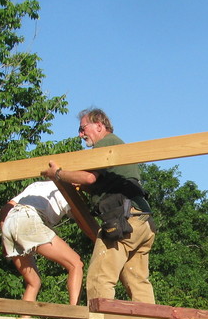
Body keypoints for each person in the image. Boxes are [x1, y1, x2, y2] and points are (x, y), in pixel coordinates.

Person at [40, 108, 156, 304]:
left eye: (82, 128)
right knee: (137, 281)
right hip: (143, 222)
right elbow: (96, 183)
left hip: (124, 220)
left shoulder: (106, 143)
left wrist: (58, 174)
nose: (80, 134)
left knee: (99, 278)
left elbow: (88, 177)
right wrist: (81, 185)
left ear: (99, 126)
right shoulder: (117, 148)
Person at [0, 180, 84, 305]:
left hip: (10, 222)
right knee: (76, 264)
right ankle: (75, 311)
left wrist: (5, 238)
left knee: (34, 283)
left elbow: (7, 207)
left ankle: (24, 317)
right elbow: (83, 222)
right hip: (28, 219)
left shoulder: (38, 185)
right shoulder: (68, 192)